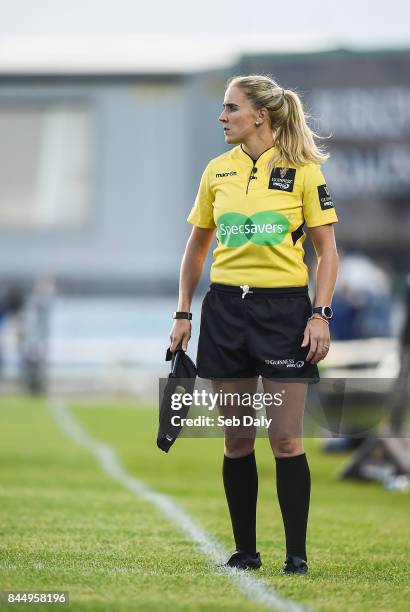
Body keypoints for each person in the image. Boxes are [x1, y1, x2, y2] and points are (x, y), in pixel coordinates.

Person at [170, 75, 339, 574]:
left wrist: (320, 314)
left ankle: (297, 556)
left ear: (259, 115)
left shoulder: (304, 172)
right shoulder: (216, 172)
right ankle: (245, 552)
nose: (222, 117)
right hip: (224, 311)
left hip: (284, 313)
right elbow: (196, 248)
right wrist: (182, 311)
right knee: (237, 439)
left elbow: (327, 252)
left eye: (230, 108)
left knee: (286, 439)